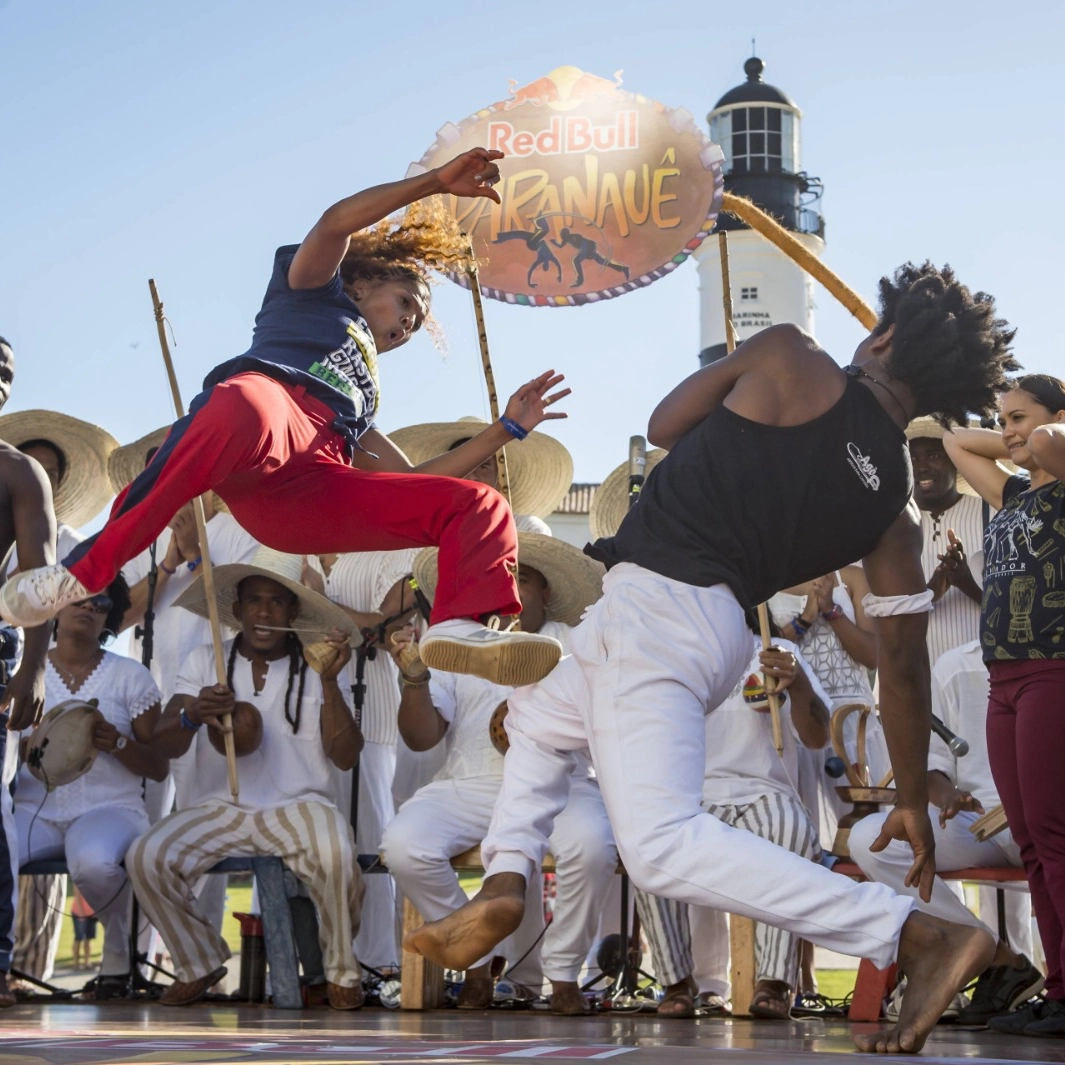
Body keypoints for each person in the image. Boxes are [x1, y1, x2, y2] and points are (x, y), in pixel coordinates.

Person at [406, 262, 1020, 1054]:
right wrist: (906, 793)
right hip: (706, 627)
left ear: (885, 333)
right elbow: (901, 666)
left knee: (658, 847)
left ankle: (907, 933)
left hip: (657, 606)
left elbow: (665, 426)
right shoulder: (892, 511)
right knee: (539, 717)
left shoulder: (790, 357)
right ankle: (506, 876)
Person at [0, 150, 569, 691]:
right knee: (243, 401)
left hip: (307, 490)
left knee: (477, 504)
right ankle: (80, 574)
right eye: (405, 306)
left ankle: (461, 624)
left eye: (414, 327)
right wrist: (433, 185)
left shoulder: (362, 400)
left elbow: (415, 483)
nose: (406, 327)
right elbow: (333, 224)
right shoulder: (311, 295)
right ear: (363, 283)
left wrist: (505, 431)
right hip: (264, 418)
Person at [380, 533, 615, 1014]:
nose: (508, 589)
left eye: (521, 579)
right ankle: (478, 961)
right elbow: (422, 737)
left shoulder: (576, 643)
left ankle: (565, 972)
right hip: (468, 785)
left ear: (546, 591)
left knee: (593, 845)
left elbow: (606, 729)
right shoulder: (451, 641)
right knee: (403, 846)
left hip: (561, 785)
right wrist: (414, 674)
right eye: (498, 577)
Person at [127, 548, 365, 1008]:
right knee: (145, 855)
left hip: (300, 805)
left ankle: (340, 970)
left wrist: (332, 682)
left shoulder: (318, 666)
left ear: (293, 612)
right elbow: (165, 742)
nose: (263, 611)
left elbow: (346, 757)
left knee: (337, 853)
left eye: (276, 602)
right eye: (253, 600)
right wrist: (194, 713)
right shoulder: (204, 661)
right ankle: (198, 961)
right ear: (236, 611)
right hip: (222, 806)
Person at [943, 374, 1065, 1037]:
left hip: (1053, 670)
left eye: (1019, 417)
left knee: (1054, 835)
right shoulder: (1012, 493)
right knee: (1031, 842)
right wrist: (1011, 431)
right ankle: (1056, 988)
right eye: (1003, 418)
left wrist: (1031, 432)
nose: (1009, 430)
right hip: (1004, 679)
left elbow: (1048, 439)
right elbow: (956, 442)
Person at [849, 637, 1040, 1026]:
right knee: (870, 843)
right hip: (979, 818)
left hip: (1043, 816)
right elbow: (931, 765)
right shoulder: (955, 666)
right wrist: (950, 794)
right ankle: (995, 956)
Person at [15, 573, 166, 999]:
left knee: (94, 863)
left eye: (101, 604)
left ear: (110, 620)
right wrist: (20, 746)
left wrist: (117, 743)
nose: (88, 607)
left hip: (108, 810)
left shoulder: (129, 677)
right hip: (34, 810)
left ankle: (120, 952)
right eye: (78, 598)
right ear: (54, 610)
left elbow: (158, 768)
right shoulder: (27, 673)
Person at [0, 336, 57, 1007]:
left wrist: (34, 668)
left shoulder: (17, 472)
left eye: (7, 371)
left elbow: (38, 580)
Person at [906, 417, 988, 664]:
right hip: (916, 677)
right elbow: (877, 617)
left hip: (986, 673)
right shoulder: (888, 525)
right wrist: (931, 591)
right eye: (912, 457)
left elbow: (1021, 612)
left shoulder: (993, 514)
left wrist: (966, 582)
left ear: (956, 461)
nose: (921, 467)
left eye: (934, 456)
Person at [70, 886, 97, 971]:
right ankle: (76, 964)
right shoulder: (80, 877)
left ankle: (87, 963)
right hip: (79, 913)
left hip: (92, 914)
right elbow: (77, 896)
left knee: (89, 939)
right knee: (78, 938)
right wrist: (81, 914)